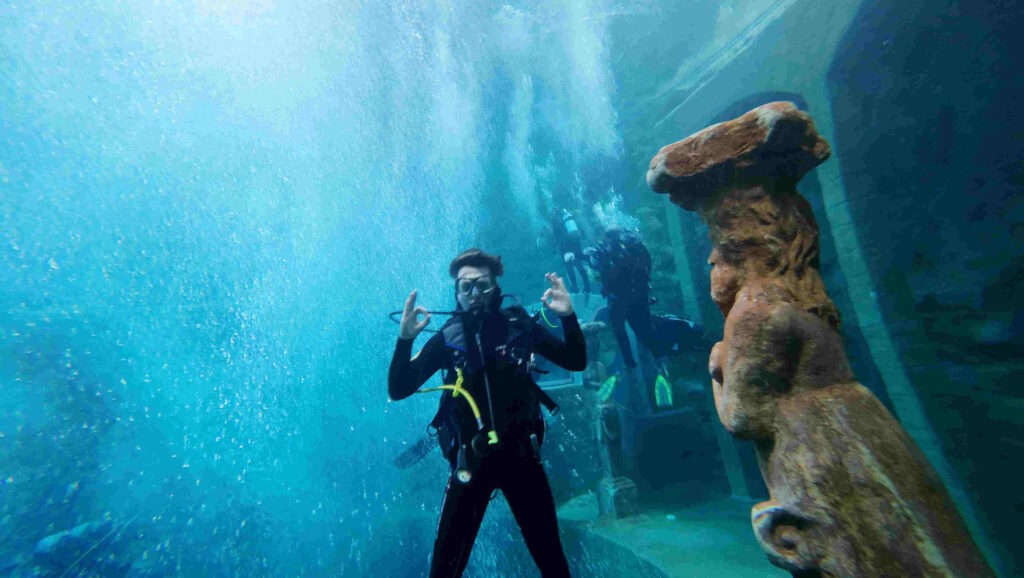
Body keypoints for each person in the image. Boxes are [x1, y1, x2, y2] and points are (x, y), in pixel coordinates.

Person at [389, 248, 586, 578]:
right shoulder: (447, 338)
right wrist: (405, 340)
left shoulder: (518, 324)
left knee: (554, 564)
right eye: (466, 287)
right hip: (470, 465)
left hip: (522, 459)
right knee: (443, 571)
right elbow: (398, 388)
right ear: (456, 293)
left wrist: (568, 316)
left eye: (482, 285)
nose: (474, 294)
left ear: (495, 287)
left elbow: (575, 360)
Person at [586, 228, 702, 408]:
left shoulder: (611, 251)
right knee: (647, 334)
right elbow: (643, 268)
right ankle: (661, 360)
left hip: (622, 300)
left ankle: (636, 364)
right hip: (638, 298)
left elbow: (598, 271)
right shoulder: (632, 247)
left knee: (626, 332)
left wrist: (588, 257)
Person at [550, 208, 591, 295]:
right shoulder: (569, 219)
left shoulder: (555, 221)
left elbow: (555, 236)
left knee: (569, 268)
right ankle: (587, 287)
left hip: (564, 247)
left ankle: (574, 287)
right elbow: (580, 231)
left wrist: (554, 248)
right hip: (575, 244)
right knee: (579, 265)